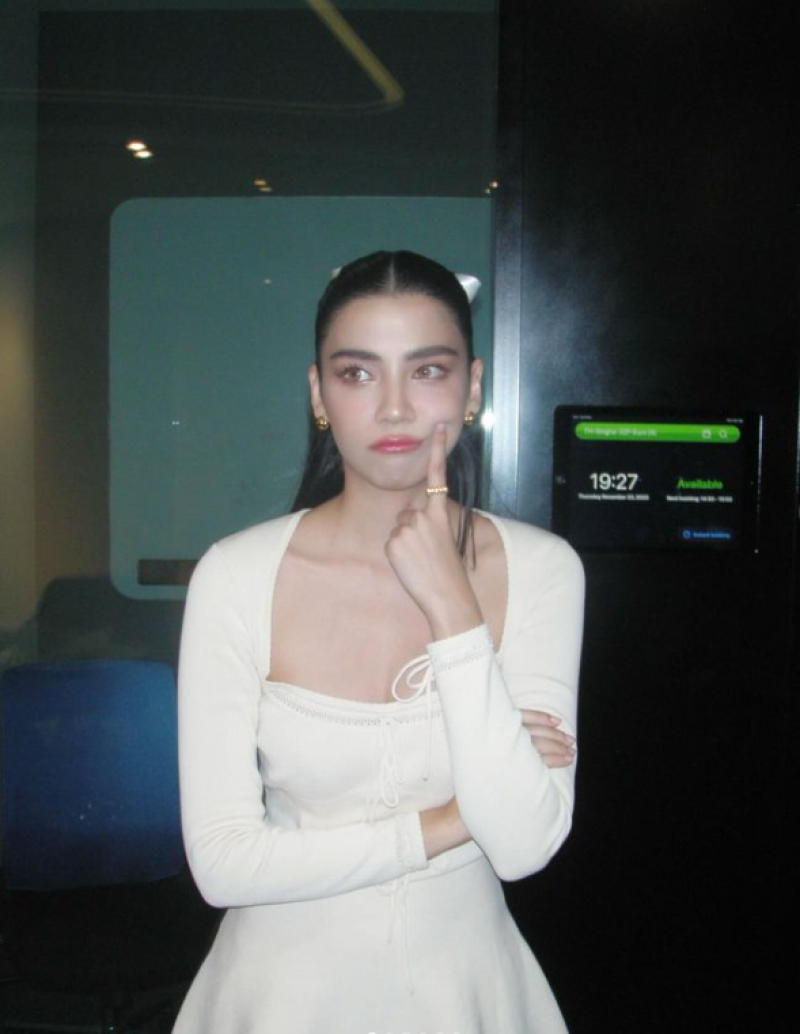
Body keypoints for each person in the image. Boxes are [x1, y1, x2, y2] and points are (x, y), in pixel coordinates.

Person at [173, 250, 585, 1034]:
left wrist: (453, 609)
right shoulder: (236, 575)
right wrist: (451, 820)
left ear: (472, 387)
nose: (394, 408)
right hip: (280, 998)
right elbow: (224, 865)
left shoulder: (543, 568)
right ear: (318, 394)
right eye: (358, 373)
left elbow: (525, 844)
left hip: (468, 991)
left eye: (427, 370)